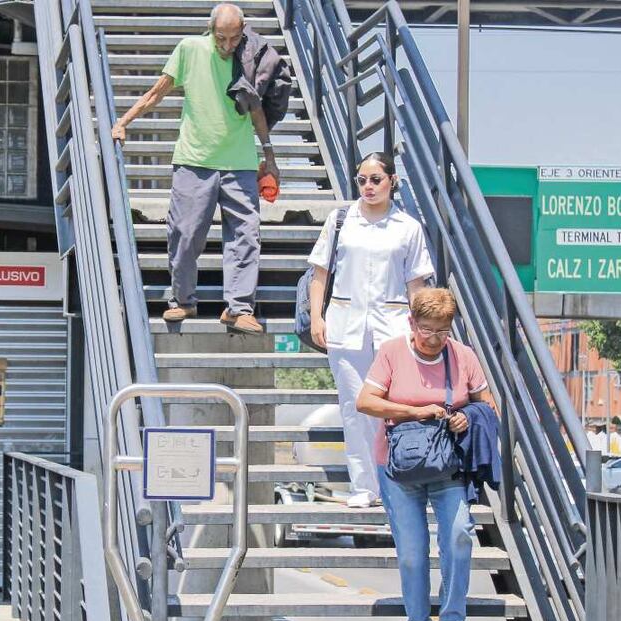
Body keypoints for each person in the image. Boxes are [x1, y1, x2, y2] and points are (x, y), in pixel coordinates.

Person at [111, 3, 280, 335]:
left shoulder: (249, 55)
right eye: (221, 38)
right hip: (194, 160)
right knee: (186, 235)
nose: (227, 45)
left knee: (246, 236)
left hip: (241, 162)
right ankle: (183, 299)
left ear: (243, 30)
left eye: (234, 38)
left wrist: (269, 155)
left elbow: (256, 109)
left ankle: (239, 308)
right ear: (210, 29)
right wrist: (123, 122)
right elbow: (156, 93)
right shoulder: (189, 49)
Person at [355, 288, 489, 621]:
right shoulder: (392, 352)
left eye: (442, 332)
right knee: (413, 550)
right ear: (411, 322)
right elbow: (365, 401)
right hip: (398, 468)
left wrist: (467, 417)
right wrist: (415, 412)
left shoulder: (463, 356)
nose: (432, 339)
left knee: (460, 535)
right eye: (426, 330)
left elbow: (487, 405)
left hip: (448, 466)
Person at [307, 152, 434, 508]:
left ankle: (398, 481)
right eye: (362, 180)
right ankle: (364, 487)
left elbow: (417, 284)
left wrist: (422, 329)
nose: (368, 186)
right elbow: (320, 274)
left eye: (375, 179)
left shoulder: (407, 227)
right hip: (345, 327)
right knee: (354, 407)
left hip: (392, 329)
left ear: (392, 181)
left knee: (396, 406)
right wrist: (317, 317)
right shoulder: (340, 220)